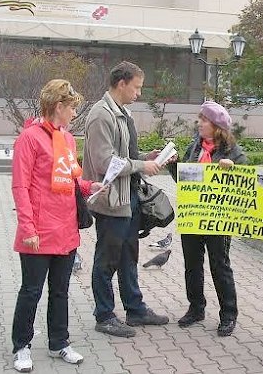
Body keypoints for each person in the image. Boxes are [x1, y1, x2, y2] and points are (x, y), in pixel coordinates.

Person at [11, 79, 104, 373]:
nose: (74, 114)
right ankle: (22, 346)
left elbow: (71, 180)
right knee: (31, 290)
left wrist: (90, 186)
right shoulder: (29, 138)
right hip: (38, 229)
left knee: (61, 291)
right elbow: (20, 186)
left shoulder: (67, 138)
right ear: (59, 107)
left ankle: (59, 342)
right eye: (72, 108)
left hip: (65, 229)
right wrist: (28, 229)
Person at [83, 61, 168, 338]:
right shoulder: (101, 114)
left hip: (128, 196)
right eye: (136, 87)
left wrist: (148, 157)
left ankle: (135, 309)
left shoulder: (123, 113)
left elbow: (126, 154)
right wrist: (141, 166)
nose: (138, 93)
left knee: (129, 255)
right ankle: (104, 315)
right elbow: (105, 161)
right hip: (110, 199)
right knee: (107, 258)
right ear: (121, 84)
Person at [167, 100, 247, 337]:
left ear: (216, 125)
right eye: (200, 119)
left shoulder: (234, 151)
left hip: (218, 219)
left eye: (203, 119)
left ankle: (228, 315)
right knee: (192, 265)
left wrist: (233, 168)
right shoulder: (195, 147)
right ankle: (196, 307)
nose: (199, 123)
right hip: (193, 216)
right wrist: (174, 167)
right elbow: (184, 181)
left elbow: (247, 182)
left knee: (219, 266)